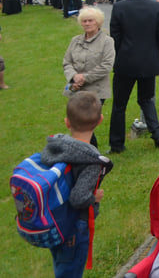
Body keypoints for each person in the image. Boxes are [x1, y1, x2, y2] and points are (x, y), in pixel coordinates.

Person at [41, 92, 112, 278]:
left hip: (54, 218)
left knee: (61, 266)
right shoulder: (90, 160)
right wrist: (94, 197)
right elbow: (78, 197)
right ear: (100, 120)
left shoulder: (56, 147)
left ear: (67, 122)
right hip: (74, 225)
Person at [109, 0, 159, 153]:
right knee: (146, 99)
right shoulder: (156, 8)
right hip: (149, 61)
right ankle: (157, 133)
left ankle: (117, 144)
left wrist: (118, 57)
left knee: (119, 105)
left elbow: (115, 37)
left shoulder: (119, 7)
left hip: (125, 61)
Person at [63, 6, 115, 147]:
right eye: (84, 21)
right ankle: (85, 154)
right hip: (75, 88)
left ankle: (91, 156)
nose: (87, 23)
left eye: (90, 20)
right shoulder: (75, 40)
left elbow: (106, 66)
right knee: (76, 124)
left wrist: (84, 78)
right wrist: (74, 77)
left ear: (97, 22)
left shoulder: (107, 41)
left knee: (86, 125)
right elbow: (66, 62)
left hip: (96, 90)